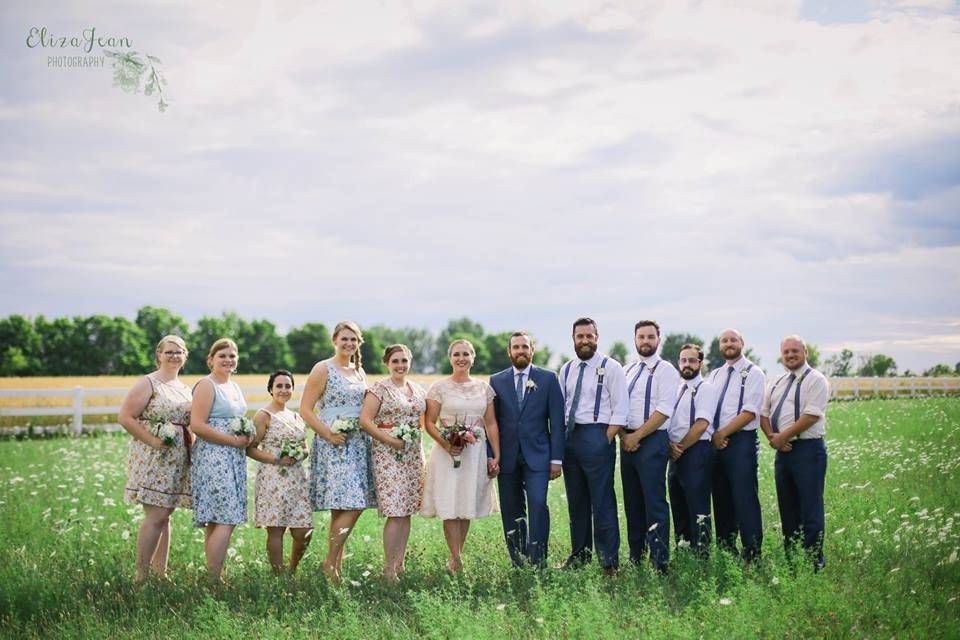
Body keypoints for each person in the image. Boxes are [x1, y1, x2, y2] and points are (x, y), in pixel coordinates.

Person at [299, 320, 376, 583]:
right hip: (334, 442)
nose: (349, 344)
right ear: (335, 340)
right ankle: (330, 562)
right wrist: (329, 434)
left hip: (358, 443)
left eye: (353, 340)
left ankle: (334, 567)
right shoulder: (323, 368)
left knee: (345, 505)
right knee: (353, 504)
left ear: (359, 343)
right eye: (344, 339)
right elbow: (306, 410)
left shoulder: (359, 372)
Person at [421, 339, 501, 573]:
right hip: (448, 453)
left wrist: (496, 455)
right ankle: (455, 557)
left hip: (475, 453)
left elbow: (491, 423)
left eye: (466, 354)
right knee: (450, 503)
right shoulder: (438, 387)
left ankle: (458, 554)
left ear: (473, 357)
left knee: (466, 502)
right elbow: (429, 422)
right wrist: (447, 444)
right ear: (450, 358)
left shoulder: (484, 388)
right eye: (456, 354)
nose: (461, 358)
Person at [118, 335, 193, 583]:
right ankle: (141, 575)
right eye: (169, 351)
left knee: (166, 514)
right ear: (159, 355)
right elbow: (126, 417)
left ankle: (161, 573)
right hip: (153, 455)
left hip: (178, 457)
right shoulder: (149, 383)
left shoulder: (185, 388)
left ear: (185, 356)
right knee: (156, 515)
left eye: (179, 351)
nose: (174, 356)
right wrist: (153, 441)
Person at [489, 331, 565, 568]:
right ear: (509, 352)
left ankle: (539, 560)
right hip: (507, 456)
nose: (520, 351)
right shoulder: (496, 380)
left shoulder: (549, 378)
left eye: (525, 347)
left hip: (539, 456)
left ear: (532, 350)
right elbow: (491, 422)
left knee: (538, 504)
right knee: (511, 509)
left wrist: (556, 459)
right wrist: (492, 456)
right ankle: (518, 560)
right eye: (516, 347)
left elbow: (557, 422)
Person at [559, 317, 628, 575]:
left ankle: (609, 561)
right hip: (571, 438)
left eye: (589, 336)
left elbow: (621, 409)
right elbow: (563, 406)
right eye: (580, 336)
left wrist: (605, 439)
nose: (585, 340)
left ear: (597, 338)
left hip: (598, 435)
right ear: (573, 339)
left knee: (602, 501)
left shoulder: (611, 367)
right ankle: (579, 556)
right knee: (577, 502)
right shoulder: (567, 369)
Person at [358, 344, 427, 581]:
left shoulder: (416, 389)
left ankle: (400, 564)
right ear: (387, 363)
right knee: (395, 511)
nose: (400, 365)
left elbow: (421, 419)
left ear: (410, 362)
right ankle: (388, 568)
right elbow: (365, 421)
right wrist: (390, 440)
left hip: (412, 454)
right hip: (388, 454)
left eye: (404, 361)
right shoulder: (379, 389)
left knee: (407, 510)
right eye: (395, 361)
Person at [760, 335, 830, 570]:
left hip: (808, 450)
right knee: (788, 509)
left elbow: (811, 415)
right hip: (783, 452)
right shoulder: (777, 381)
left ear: (805, 352)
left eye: (795, 351)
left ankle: (813, 561)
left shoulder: (816, 380)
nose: (790, 355)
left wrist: (783, 436)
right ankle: (794, 560)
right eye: (786, 352)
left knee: (810, 507)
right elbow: (763, 412)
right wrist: (773, 438)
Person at [619, 320, 679, 573]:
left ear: (658, 340)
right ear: (635, 339)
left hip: (652, 440)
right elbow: (617, 404)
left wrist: (638, 436)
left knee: (654, 501)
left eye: (650, 337)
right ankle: (636, 555)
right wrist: (624, 435)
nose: (646, 341)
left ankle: (659, 561)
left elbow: (664, 410)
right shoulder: (627, 369)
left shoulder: (666, 370)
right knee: (632, 501)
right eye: (641, 337)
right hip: (626, 441)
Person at [189, 338, 252, 583]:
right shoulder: (206, 385)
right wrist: (231, 440)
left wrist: (245, 435)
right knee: (225, 517)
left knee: (218, 519)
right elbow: (197, 424)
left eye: (232, 356)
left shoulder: (234, 386)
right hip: (214, 455)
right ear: (211, 360)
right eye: (222, 355)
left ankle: (213, 575)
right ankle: (214, 578)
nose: (228, 360)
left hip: (233, 457)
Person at [247, 370, 313, 575]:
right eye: (279, 386)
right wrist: (276, 459)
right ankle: (279, 575)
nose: (284, 390)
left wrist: (298, 455)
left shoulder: (296, 416)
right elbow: (251, 448)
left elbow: (305, 448)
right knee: (276, 528)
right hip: (273, 478)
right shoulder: (263, 415)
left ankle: (293, 568)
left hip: (296, 479)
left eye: (288, 386)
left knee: (304, 530)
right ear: (270, 389)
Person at [709, 328, 766, 561]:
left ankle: (752, 552)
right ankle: (726, 549)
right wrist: (715, 436)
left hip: (740, 441)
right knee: (721, 498)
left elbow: (750, 412)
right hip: (715, 442)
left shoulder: (754, 372)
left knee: (745, 498)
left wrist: (723, 433)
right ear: (719, 346)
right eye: (724, 340)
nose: (729, 343)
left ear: (742, 343)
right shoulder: (714, 375)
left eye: (733, 340)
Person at [667, 343, 718, 556]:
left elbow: (701, 425)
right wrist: (671, 448)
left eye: (692, 360)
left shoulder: (706, 389)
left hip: (696, 451)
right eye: (683, 360)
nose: (687, 364)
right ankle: (683, 548)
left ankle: (702, 553)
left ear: (700, 363)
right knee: (678, 504)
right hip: (675, 455)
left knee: (698, 505)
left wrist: (679, 447)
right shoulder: (677, 389)